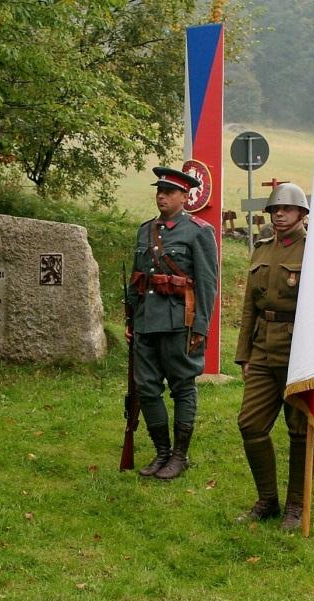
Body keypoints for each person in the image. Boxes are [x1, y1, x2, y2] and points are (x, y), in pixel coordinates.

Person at [125, 166, 218, 480]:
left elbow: (207, 283)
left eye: (169, 191)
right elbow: (138, 278)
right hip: (146, 321)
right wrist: (131, 318)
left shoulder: (198, 231)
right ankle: (162, 452)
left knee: (181, 386)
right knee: (147, 388)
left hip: (180, 321)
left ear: (185, 196)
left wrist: (201, 326)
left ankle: (179, 455)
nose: (161, 195)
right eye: (159, 190)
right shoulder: (145, 230)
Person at [234, 182, 310, 530]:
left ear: (301, 213)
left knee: (299, 430)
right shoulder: (262, 248)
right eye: (274, 210)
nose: (279, 215)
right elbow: (250, 306)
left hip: (299, 350)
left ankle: (296, 505)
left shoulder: (313, 249)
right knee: (250, 423)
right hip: (264, 348)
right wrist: (244, 354)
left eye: (287, 209)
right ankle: (267, 499)